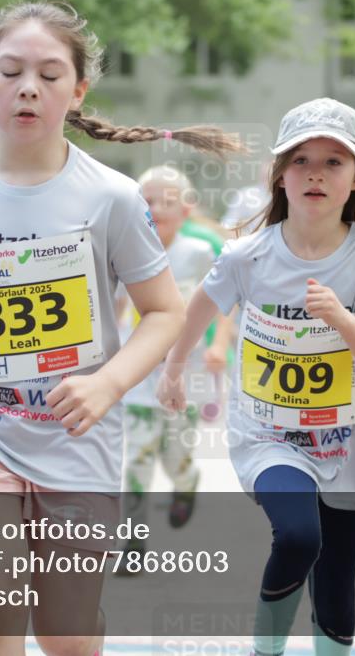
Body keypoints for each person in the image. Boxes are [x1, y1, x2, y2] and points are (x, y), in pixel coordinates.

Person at [0, 1, 243, 656]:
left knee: (64, 634)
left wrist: (106, 384)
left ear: (78, 91)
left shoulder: (109, 196)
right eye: (11, 71)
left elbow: (164, 312)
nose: (27, 87)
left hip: (77, 435)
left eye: (49, 75)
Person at [158, 98, 355, 656]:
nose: (315, 172)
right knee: (299, 536)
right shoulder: (249, 255)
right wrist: (175, 369)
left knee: (337, 583)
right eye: (300, 160)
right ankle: (264, 650)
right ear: (278, 178)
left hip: (345, 441)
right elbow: (198, 308)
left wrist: (341, 318)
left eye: (334, 162)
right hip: (268, 433)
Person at [117, 166, 233, 556]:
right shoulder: (124, 252)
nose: (155, 208)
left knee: (175, 456)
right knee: (137, 457)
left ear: (186, 210)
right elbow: (112, 308)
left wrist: (220, 346)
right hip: (136, 375)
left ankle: (186, 484)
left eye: (166, 200)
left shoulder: (199, 254)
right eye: (146, 200)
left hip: (186, 374)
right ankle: (133, 539)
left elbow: (223, 304)